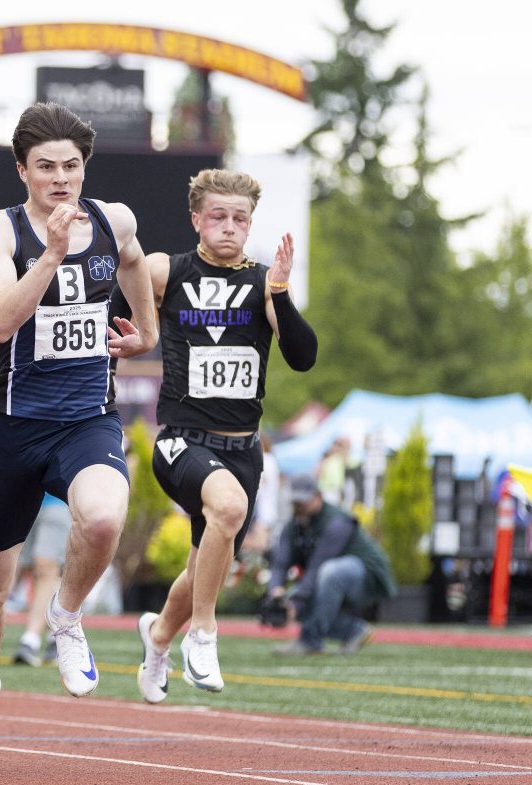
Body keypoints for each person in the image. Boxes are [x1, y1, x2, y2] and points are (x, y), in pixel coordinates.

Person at [0, 101, 158, 770]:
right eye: (46, 167)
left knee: (100, 523)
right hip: (13, 430)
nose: (61, 179)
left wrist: (147, 330)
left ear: (83, 167)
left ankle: (65, 617)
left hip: (86, 419)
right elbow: (0, 323)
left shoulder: (112, 218)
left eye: (71, 166)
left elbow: (133, 258)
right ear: (22, 171)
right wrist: (53, 255)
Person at [129, 169, 318, 704]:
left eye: (240, 218)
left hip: (243, 450)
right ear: (196, 219)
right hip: (182, 441)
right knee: (229, 510)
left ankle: (159, 635)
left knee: (202, 566)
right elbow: (120, 281)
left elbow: (303, 358)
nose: (229, 227)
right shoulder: (167, 270)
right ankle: (204, 636)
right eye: (218, 216)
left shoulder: (263, 283)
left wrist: (279, 292)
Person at [266, 473, 397, 655]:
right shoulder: (292, 527)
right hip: (327, 579)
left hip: (367, 577)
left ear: (318, 497)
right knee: (295, 597)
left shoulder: (337, 522)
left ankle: (310, 641)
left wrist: (295, 603)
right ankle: (354, 630)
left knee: (328, 573)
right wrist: (276, 594)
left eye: (304, 501)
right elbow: (281, 563)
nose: (299, 506)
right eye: (296, 502)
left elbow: (318, 566)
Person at [11, 495, 72, 666]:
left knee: (46, 567)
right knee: (33, 569)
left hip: (59, 501)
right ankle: (56, 636)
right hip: (26, 501)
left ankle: (30, 640)